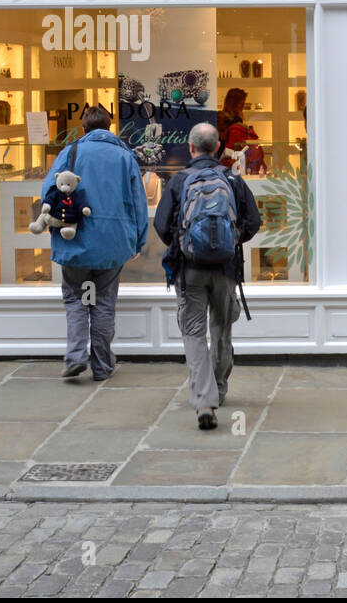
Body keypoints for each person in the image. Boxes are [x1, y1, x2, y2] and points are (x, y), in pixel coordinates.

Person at [155, 122, 261, 430]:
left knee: (193, 332)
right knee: (221, 329)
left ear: (190, 148)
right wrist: (230, 240)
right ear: (217, 148)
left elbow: (162, 226)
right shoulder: (232, 179)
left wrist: (186, 244)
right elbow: (253, 221)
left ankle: (204, 399)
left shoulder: (179, 181)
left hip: (190, 271)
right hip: (226, 269)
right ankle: (219, 388)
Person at [44, 104, 149, 382]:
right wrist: (139, 238)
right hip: (112, 242)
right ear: (110, 126)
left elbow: (47, 190)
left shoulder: (71, 152)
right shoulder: (125, 156)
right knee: (103, 302)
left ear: (84, 128)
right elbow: (138, 201)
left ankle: (76, 357)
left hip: (75, 239)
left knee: (76, 299)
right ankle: (102, 366)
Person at [216, 87, 260, 170]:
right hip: (231, 166)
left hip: (219, 164)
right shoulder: (237, 125)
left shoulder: (219, 119)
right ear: (239, 105)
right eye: (242, 103)